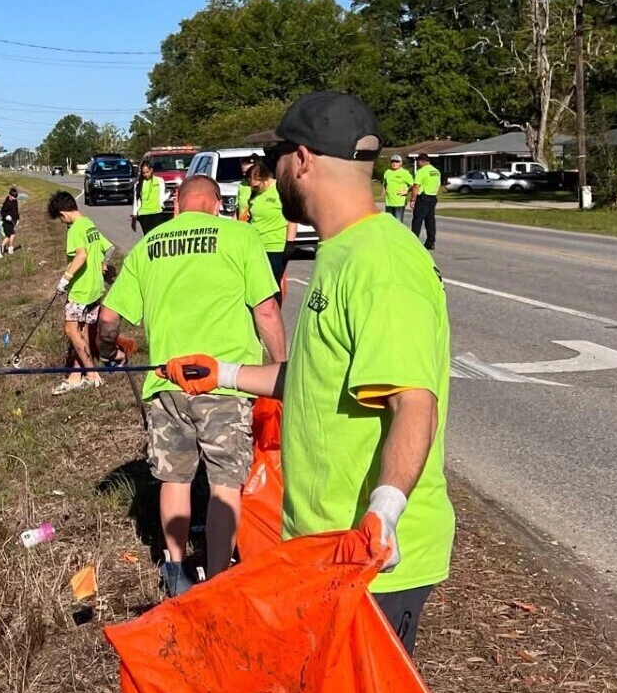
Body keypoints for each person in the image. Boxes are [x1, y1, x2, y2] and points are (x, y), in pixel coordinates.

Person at [163, 92, 453, 655]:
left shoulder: (382, 263)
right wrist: (221, 372)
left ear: (302, 159)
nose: (273, 175)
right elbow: (320, 378)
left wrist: (384, 514)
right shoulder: (341, 250)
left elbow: (414, 402)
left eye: (276, 162)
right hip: (322, 544)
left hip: (369, 557)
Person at [98, 175, 285, 597]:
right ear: (217, 204)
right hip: (225, 383)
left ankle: (176, 569)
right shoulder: (241, 236)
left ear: (177, 206)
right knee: (224, 485)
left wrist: (111, 352)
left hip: (167, 384)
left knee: (175, 481)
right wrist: (281, 370)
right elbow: (268, 311)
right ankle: (218, 579)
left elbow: (108, 319)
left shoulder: (150, 245)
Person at [47, 191, 112, 395]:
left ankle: (92, 375)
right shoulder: (88, 223)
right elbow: (109, 248)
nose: (62, 222)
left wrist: (65, 279)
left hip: (81, 289)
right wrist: (103, 264)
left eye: (60, 218)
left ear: (63, 213)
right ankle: (76, 376)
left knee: (71, 329)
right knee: (82, 330)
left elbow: (81, 255)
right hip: (95, 287)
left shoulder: (74, 228)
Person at [239, 158, 296, 291]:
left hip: (275, 246)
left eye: (256, 186)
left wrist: (290, 243)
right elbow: (246, 216)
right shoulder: (254, 193)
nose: (253, 189)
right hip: (257, 245)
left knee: (273, 287)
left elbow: (291, 218)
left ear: (264, 178)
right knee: (256, 286)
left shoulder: (280, 189)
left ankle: (274, 311)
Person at [410, 154, 441, 249]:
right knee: (430, 220)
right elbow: (438, 185)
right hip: (432, 197)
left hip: (422, 198)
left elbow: (416, 186)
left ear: (421, 161)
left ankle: (413, 242)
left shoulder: (421, 172)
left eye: (418, 162)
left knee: (417, 221)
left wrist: (413, 199)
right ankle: (430, 242)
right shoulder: (436, 171)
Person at [132, 161, 166, 234]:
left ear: (151, 170)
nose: (145, 174)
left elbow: (162, 197)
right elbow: (136, 200)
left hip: (157, 212)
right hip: (144, 214)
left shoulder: (159, 181)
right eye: (143, 173)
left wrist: (171, 193)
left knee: (157, 235)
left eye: (147, 172)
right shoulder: (138, 184)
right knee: (148, 236)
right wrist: (134, 216)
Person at [382, 154, 413, 223]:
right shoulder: (387, 172)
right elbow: (384, 182)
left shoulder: (405, 173)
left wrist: (406, 191)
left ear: (400, 163)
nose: (394, 163)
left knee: (398, 223)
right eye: (392, 161)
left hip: (399, 203)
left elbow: (413, 185)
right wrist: (383, 190)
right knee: (389, 223)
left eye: (396, 161)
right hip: (389, 203)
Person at [0, 185, 21, 255]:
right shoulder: (7, 203)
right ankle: (11, 248)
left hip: (12, 221)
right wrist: (6, 216)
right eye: (13, 197)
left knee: (8, 236)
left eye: (16, 197)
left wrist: (18, 219)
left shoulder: (15, 201)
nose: (14, 198)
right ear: (10, 195)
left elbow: (16, 210)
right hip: (6, 222)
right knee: (13, 234)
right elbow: (2, 212)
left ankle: (2, 246)